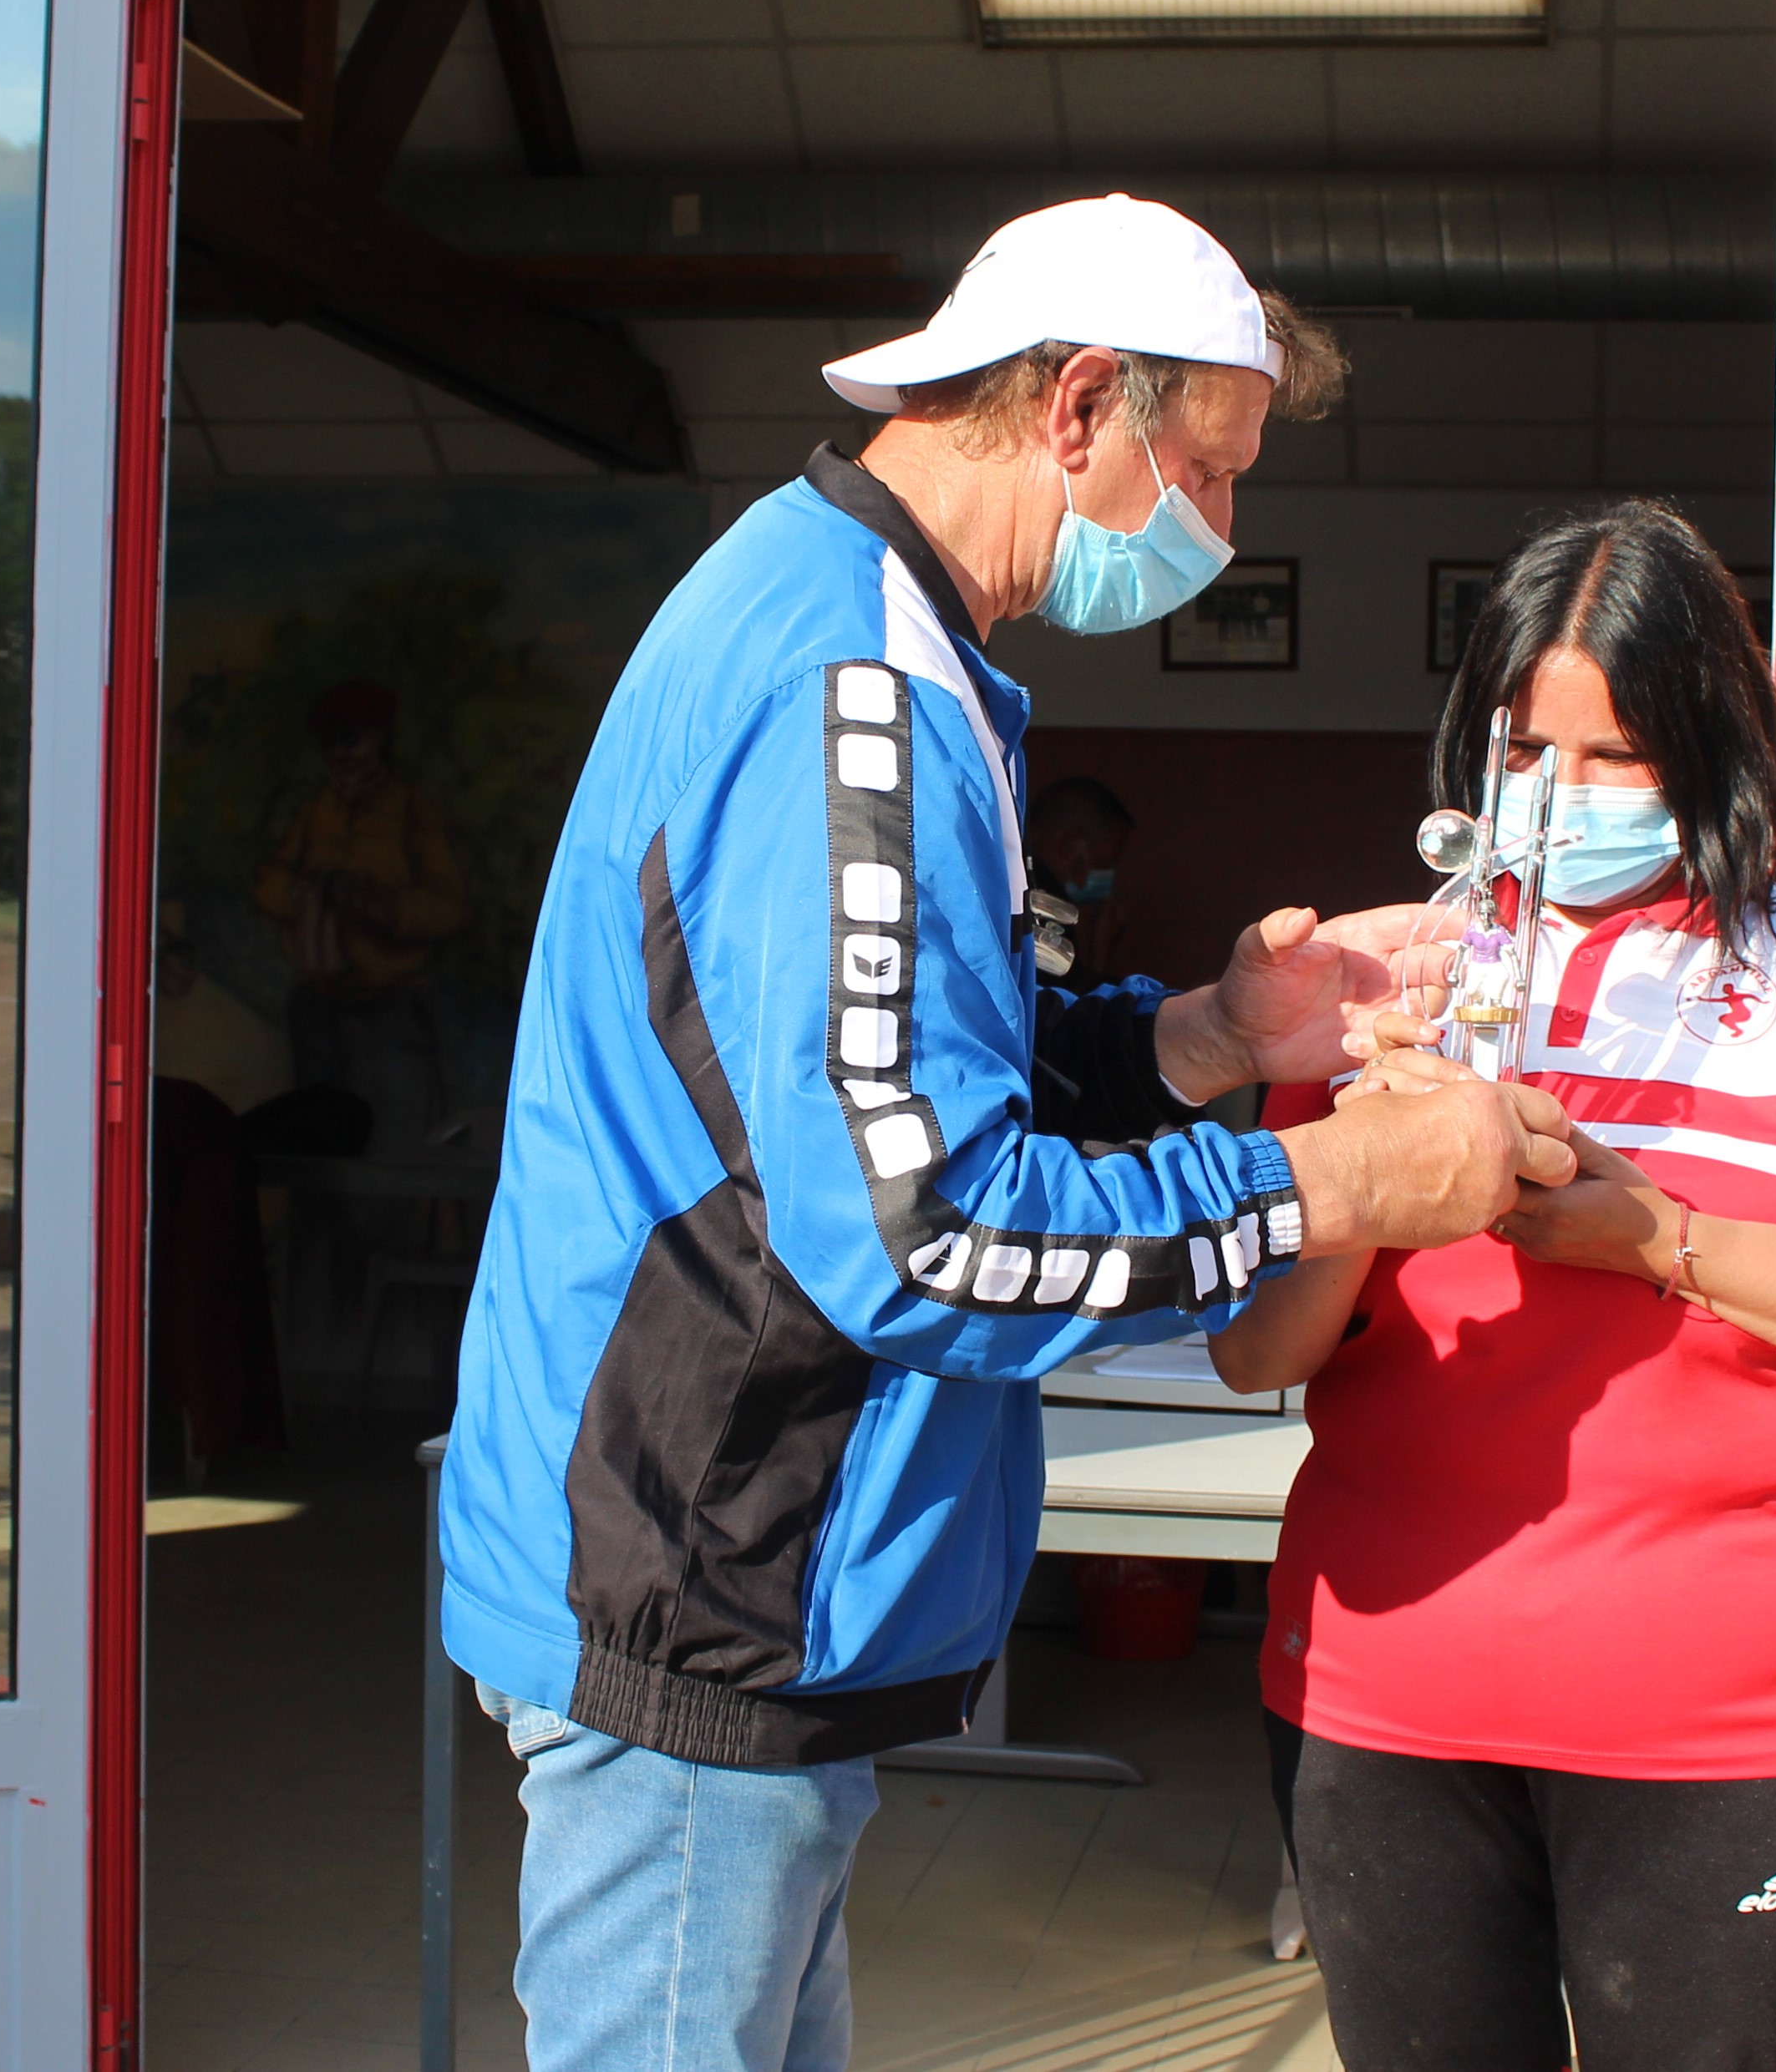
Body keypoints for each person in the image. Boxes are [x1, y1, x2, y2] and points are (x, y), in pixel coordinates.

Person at [439, 194, 1577, 2072]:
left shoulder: (854, 620)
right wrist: (1326, 1183)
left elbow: (878, 1070)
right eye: (1211, 470)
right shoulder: (853, 691)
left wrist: (1211, 1038)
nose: (1223, 528)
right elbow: (927, 1232)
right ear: (1077, 406)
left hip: (720, 1564)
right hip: (706, 1577)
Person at [1211, 500, 1776, 2072]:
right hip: (1384, 1693)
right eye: (1526, 749)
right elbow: (1259, 1352)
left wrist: (1659, 1241)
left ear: (1713, 746)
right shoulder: (1404, 967)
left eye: (1617, 756)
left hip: (1718, 1720)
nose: (1559, 794)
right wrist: (1371, 1163)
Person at [252, 679, 467, 1147]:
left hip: (390, 1011)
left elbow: (448, 907)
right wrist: (300, 894)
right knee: (317, 1150)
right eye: (330, 744)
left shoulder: (411, 808)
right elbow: (269, 881)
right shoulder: (317, 807)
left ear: (378, 739)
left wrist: (384, 908)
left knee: (394, 1145)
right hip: (317, 1009)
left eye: (350, 741)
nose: (340, 755)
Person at [1025, 774, 1134, 989]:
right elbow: (1062, 1003)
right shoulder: (1043, 908)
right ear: (1068, 844)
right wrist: (1101, 957)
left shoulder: (1011, 886)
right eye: (1105, 863)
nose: (1108, 877)